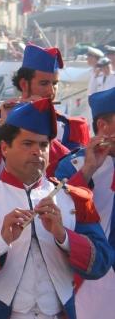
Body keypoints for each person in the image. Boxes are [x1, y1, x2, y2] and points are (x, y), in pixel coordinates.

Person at [0, 98, 114, 319]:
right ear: (4, 148)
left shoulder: (74, 199)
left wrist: (64, 236)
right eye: (27, 144)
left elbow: (101, 263)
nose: (37, 152)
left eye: (43, 145)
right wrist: (0, 242)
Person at [0, 44, 85, 175]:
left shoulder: (69, 127)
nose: (51, 91)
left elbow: (75, 172)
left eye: (55, 83)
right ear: (24, 84)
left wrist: (43, 128)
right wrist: (4, 128)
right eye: (44, 83)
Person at [55, 87, 115, 319]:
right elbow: (59, 211)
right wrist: (89, 170)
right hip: (88, 278)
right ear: (103, 126)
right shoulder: (73, 165)